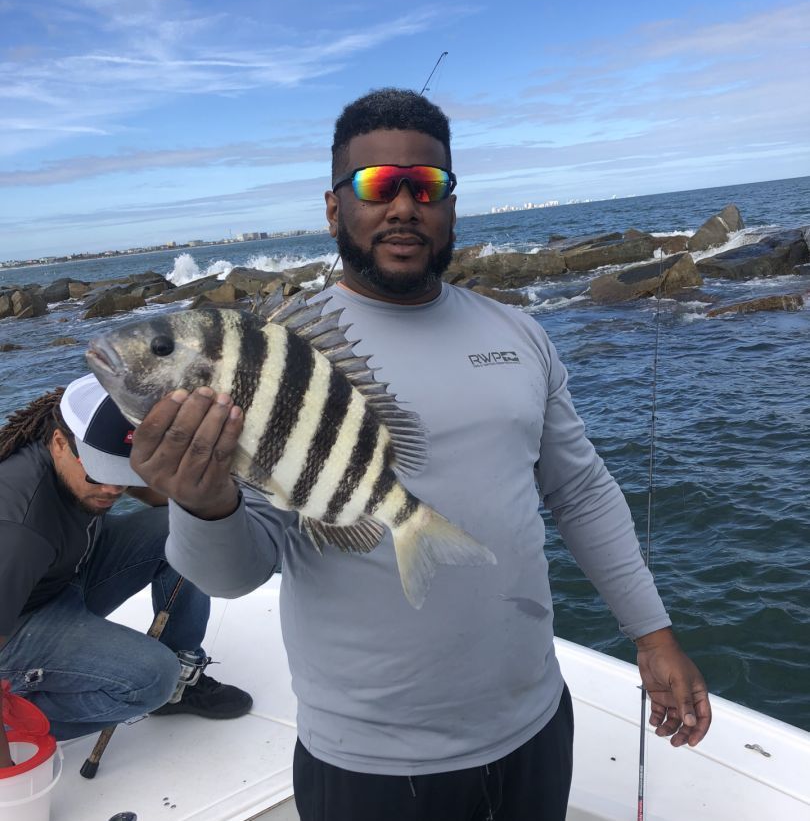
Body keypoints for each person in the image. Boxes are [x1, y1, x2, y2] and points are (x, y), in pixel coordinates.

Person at [125, 87, 712, 821]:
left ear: (451, 204)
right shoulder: (275, 357)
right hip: (365, 763)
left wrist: (653, 635)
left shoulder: (520, 332)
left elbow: (583, 493)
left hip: (534, 722)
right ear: (334, 207)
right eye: (376, 185)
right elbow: (237, 573)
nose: (404, 205)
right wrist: (201, 499)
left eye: (425, 185)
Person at [0, 374, 252, 769]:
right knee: (153, 677)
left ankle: (182, 682)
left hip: (67, 572)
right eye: (101, 474)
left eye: (126, 472)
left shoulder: (79, 455)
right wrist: (9, 769)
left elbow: (157, 499)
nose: (114, 489)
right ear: (59, 444)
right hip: (17, 625)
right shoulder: (16, 529)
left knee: (183, 529)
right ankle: (19, 723)